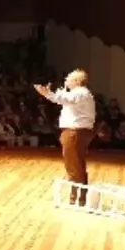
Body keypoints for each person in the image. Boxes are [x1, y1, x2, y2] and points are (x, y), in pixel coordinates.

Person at [34, 69, 96, 206]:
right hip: (77, 132)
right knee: (77, 163)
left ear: (76, 81)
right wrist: (55, 94)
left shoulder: (80, 92)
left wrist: (47, 93)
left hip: (75, 132)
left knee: (73, 164)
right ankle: (78, 197)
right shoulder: (81, 93)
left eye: (69, 78)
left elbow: (64, 99)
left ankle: (78, 196)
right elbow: (65, 98)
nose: (66, 80)